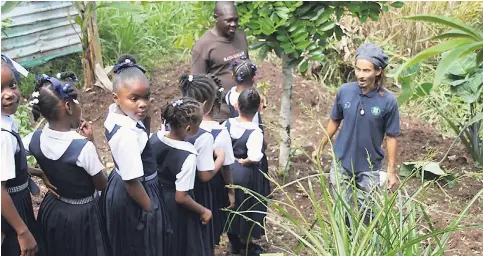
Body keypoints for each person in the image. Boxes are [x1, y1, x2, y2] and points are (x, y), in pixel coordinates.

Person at [313, 43, 400, 224]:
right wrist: (320, 146)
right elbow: (334, 121)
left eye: (366, 70)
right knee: (341, 209)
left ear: (378, 71)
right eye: (358, 69)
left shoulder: (388, 101)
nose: (360, 75)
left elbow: (391, 136)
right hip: (342, 161)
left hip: (369, 166)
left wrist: (391, 171)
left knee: (367, 211)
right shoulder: (345, 91)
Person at [23, 73, 109, 256]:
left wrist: (38, 173)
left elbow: (10, 156)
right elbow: (102, 184)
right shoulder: (82, 147)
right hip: (84, 217)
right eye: (76, 102)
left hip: (53, 212)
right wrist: (92, 142)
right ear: (68, 106)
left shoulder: (34, 138)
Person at [102, 55, 171, 256]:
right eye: (134, 99)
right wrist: (152, 210)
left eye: (146, 97)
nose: (143, 104)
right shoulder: (127, 136)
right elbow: (132, 183)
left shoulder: (115, 112)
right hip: (137, 191)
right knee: (142, 242)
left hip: (123, 182)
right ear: (116, 97)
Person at [149, 97, 212, 256]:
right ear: (189, 128)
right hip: (175, 209)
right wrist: (203, 210)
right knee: (181, 245)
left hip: (155, 197)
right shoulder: (188, 155)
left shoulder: (154, 138)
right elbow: (181, 197)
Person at [178, 74, 235, 252]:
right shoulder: (217, 133)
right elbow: (225, 169)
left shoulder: (171, 124)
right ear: (206, 104)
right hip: (204, 191)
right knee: (205, 235)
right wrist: (231, 190)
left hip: (178, 186)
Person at [1, 57, 39, 256]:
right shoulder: (3, 137)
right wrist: (22, 231)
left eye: (12, 85)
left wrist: (37, 172)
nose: (9, 94)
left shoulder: (6, 120)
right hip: (11, 209)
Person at [223, 88, 266, 256]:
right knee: (247, 209)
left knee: (231, 206)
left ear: (236, 105)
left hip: (227, 170)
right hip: (245, 174)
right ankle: (246, 245)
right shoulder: (254, 131)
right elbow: (254, 157)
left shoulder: (227, 124)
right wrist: (244, 161)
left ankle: (233, 242)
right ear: (258, 109)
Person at [191, 1, 249, 122]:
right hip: (221, 115)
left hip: (246, 109)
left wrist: (256, 93)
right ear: (216, 18)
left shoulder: (241, 37)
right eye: (229, 20)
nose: (233, 24)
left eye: (236, 20)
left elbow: (248, 69)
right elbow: (197, 86)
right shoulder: (203, 45)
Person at [226, 57, 271, 202]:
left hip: (231, 162)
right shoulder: (251, 105)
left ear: (233, 77)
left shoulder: (229, 95)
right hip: (249, 165)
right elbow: (256, 135)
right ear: (254, 77)